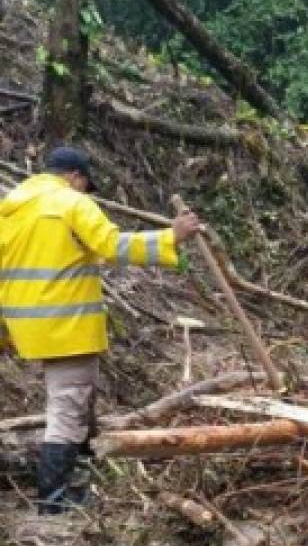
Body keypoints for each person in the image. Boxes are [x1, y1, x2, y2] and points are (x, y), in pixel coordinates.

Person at [0, 146, 202, 514]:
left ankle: (83, 466)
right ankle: (53, 499)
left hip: (24, 325)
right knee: (68, 404)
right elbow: (112, 246)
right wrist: (170, 236)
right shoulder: (71, 203)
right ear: (76, 176)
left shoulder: (12, 209)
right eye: (84, 184)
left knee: (78, 399)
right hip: (65, 324)